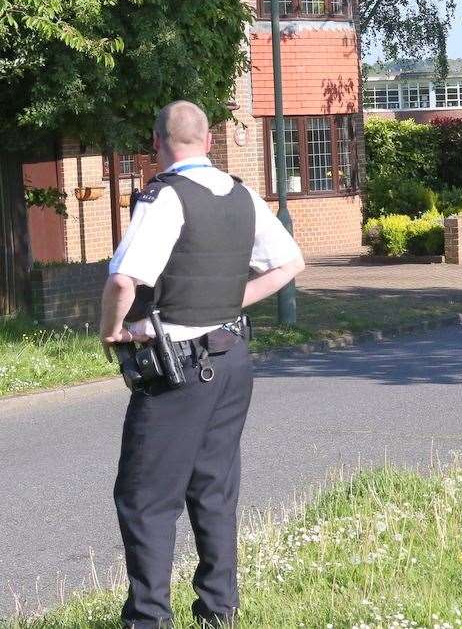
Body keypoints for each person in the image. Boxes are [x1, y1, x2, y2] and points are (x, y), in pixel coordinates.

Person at [98, 101, 305, 628]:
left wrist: (112, 330)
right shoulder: (242, 194)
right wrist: (233, 301)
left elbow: (125, 280)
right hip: (232, 357)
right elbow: (291, 263)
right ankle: (218, 610)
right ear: (209, 141)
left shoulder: (165, 196)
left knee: (146, 497)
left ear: (158, 142)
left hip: (177, 370)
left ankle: (148, 619)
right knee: (214, 488)